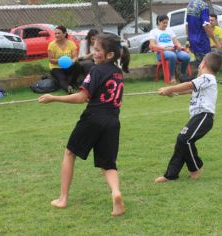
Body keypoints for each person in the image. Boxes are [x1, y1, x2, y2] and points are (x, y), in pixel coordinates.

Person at [38, 33, 130, 217]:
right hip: (113, 122)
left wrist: (53, 97)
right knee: (108, 163)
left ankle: (63, 198)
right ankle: (116, 193)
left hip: (93, 119)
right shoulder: (118, 72)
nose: (93, 53)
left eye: (97, 50)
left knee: (70, 153)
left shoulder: (96, 71)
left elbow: (82, 97)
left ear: (110, 55)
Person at [155, 52, 222, 183]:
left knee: (184, 139)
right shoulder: (205, 80)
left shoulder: (208, 77)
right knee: (181, 141)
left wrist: (169, 89)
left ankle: (196, 168)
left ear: (202, 64)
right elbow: (191, 90)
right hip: (197, 117)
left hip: (204, 116)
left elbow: (189, 85)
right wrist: (174, 93)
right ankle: (171, 174)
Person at [149, 15, 191, 84]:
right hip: (162, 52)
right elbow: (152, 45)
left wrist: (179, 46)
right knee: (172, 56)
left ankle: (183, 75)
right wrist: (165, 49)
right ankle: (172, 77)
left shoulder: (169, 30)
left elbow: (176, 41)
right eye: (164, 23)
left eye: (166, 23)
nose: (166, 25)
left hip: (174, 50)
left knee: (186, 56)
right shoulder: (153, 32)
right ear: (159, 22)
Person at [186, 0, 221, 67]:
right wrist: (216, 42)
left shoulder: (190, 4)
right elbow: (206, 25)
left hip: (193, 40)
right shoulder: (203, 6)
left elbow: (187, 24)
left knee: (200, 64)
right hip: (201, 41)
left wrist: (188, 39)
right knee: (205, 65)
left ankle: (201, 76)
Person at [48, 25, 81, 94]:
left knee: (78, 66)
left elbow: (75, 57)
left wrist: (72, 61)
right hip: (56, 67)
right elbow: (51, 60)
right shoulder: (52, 45)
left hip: (69, 66)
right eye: (55, 33)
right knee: (62, 78)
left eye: (59, 33)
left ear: (65, 34)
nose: (56, 35)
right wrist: (61, 61)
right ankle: (68, 89)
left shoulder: (71, 43)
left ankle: (72, 84)